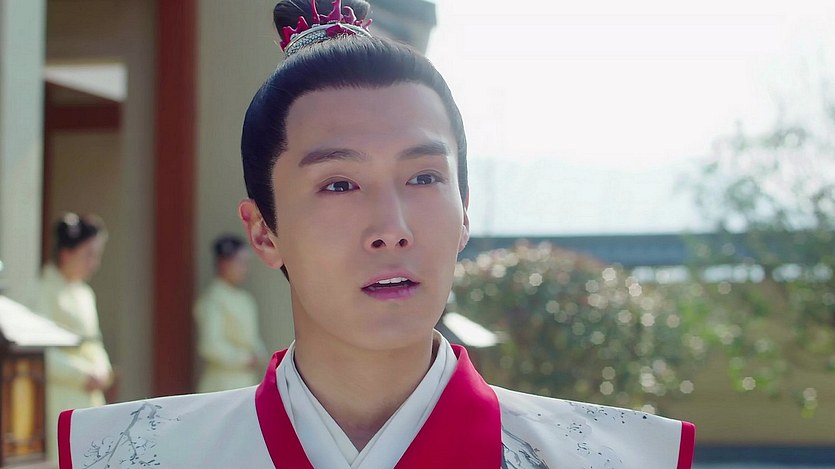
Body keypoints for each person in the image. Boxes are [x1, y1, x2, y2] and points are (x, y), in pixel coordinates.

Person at [57, 1, 695, 467]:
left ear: (465, 210)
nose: (392, 228)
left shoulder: (611, 457)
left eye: (423, 177)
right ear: (264, 231)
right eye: (339, 184)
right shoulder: (130, 454)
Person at [36, 213, 112, 463]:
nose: (94, 263)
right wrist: (82, 374)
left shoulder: (85, 294)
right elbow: (40, 351)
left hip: (90, 394)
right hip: (60, 393)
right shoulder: (42, 290)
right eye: (88, 254)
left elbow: (94, 342)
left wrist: (102, 368)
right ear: (66, 253)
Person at [195, 234, 266, 392]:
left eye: (246, 263)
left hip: (247, 381)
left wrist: (259, 353)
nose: (244, 269)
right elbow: (210, 345)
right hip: (222, 383)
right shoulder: (214, 298)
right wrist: (244, 359)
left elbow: (253, 338)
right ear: (223, 263)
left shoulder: (246, 299)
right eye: (239, 263)